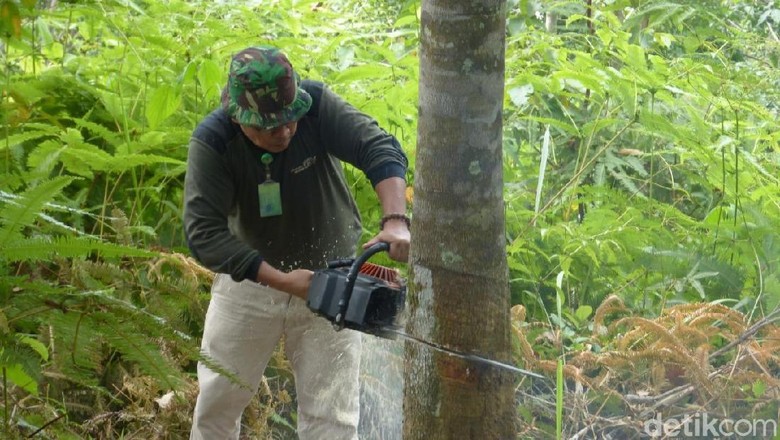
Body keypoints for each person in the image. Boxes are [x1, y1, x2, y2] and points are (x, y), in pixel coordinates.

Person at [183, 46, 410, 439]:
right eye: (270, 127)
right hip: (248, 283)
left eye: (290, 120)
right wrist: (284, 281)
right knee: (217, 402)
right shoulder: (214, 141)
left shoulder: (317, 107)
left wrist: (395, 220)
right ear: (239, 119)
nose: (285, 131)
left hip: (334, 279)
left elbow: (379, 147)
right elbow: (203, 234)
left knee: (332, 417)